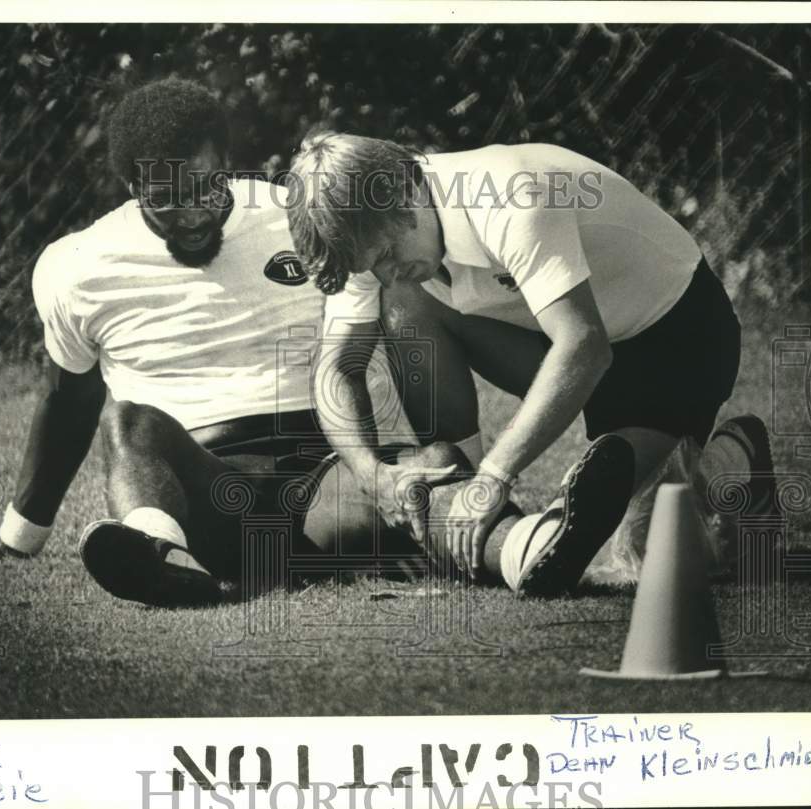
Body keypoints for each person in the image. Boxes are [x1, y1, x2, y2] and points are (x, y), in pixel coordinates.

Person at [0, 79, 470, 606]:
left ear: (227, 161)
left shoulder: (300, 217)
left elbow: (389, 314)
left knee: (429, 469)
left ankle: (520, 550)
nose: (194, 213)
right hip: (212, 499)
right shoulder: (76, 266)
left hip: (328, 478)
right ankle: (158, 556)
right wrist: (19, 539)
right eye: (167, 199)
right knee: (127, 420)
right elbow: (68, 401)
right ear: (131, 186)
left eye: (207, 186)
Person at [286, 132, 776, 592]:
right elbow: (337, 368)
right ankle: (460, 496)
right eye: (370, 265)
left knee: (656, 559)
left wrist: (497, 476)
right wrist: (372, 474)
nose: (384, 272)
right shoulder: (375, 239)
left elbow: (583, 344)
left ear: (407, 191)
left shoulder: (509, 192)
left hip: (678, 340)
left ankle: (729, 461)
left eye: (388, 253)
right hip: (585, 345)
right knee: (407, 301)